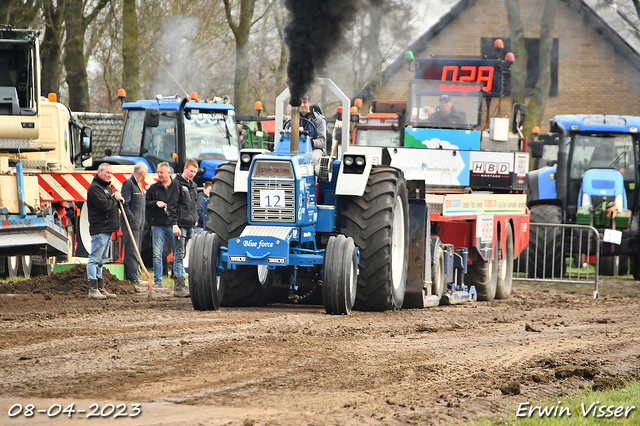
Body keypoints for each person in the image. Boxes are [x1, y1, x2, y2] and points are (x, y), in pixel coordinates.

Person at [86, 163, 123, 300]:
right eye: (107, 172)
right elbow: (105, 205)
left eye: (111, 173)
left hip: (108, 228)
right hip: (100, 228)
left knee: (101, 260)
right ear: (99, 172)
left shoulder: (106, 187)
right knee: (94, 259)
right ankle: (93, 289)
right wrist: (115, 198)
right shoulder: (95, 189)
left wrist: (117, 198)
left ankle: (100, 288)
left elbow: (111, 202)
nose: (109, 175)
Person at [167, 158, 199, 298]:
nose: (192, 174)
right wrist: (174, 224)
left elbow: (194, 204)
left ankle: (182, 284)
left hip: (189, 225)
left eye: (195, 172)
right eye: (191, 171)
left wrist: (195, 219)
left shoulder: (192, 185)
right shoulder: (176, 183)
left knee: (183, 255)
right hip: (180, 226)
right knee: (179, 255)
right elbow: (172, 206)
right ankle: (179, 286)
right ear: (185, 169)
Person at [145, 161, 175, 288]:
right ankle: (158, 281)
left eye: (161, 172)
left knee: (178, 252)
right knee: (157, 253)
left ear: (168, 172)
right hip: (158, 225)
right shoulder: (153, 188)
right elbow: (146, 203)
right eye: (158, 172)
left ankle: (179, 279)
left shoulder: (176, 187)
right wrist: (155, 203)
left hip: (173, 224)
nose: (159, 174)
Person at [120, 162, 148, 291]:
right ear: (142, 172)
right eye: (146, 172)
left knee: (137, 249)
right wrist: (131, 218)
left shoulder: (139, 185)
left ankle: (136, 274)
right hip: (132, 223)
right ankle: (132, 279)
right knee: (132, 249)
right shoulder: (129, 184)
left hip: (139, 223)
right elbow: (124, 204)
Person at [299, 94, 327, 166]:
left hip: (314, 149)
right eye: (300, 102)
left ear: (310, 103)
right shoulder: (291, 120)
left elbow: (322, 141)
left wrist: (311, 142)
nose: (302, 105)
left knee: (313, 158)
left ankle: (314, 175)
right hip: (295, 148)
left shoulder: (319, 120)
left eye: (304, 102)